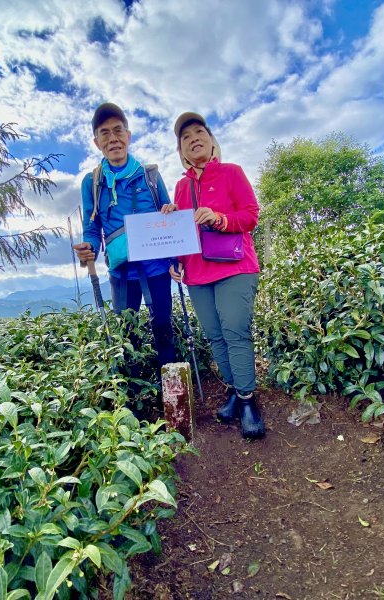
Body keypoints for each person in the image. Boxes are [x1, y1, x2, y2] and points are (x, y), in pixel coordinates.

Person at [169, 112, 265, 439]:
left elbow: (251, 215)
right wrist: (176, 260)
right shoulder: (181, 187)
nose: (193, 137)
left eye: (199, 132)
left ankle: (248, 400)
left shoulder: (231, 173)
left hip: (235, 266)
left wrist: (219, 219)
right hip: (197, 272)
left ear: (211, 141)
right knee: (214, 335)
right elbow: (181, 233)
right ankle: (233, 391)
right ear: (181, 150)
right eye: (185, 136)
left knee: (234, 329)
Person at [74, 102, 177, 372]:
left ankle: (170, 391)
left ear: (128, 136)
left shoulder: (150, 176)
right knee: (124, 335)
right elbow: (92, 227)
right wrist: (89, 249)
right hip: (121, 272)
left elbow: (169, 214)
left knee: (163, 328)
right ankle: (130, 398)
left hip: (157, 268)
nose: (113, 138)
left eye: (118, 131)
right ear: (97, 142)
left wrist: (170, 212)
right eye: (105, 133)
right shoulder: (91, 182)